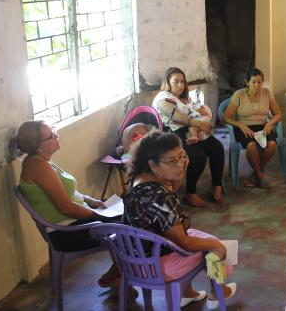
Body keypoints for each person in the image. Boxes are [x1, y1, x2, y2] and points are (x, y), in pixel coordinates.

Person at [123, 131, 236, 309]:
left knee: (204, 239)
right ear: (152, 164)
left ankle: (187, 293)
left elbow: (171, 191)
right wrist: (215, 245)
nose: (180, 164)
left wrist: (181, 169)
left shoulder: (139, 178)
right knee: (218, 248)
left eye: (181, 156)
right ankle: (218, 291)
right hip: (157, 266)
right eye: (172, 161)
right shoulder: (158, 197)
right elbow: (184, 242)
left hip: (137, 257)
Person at [15, 120, 121, 290]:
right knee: (126, 228)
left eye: (54, 131)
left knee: (125, 220)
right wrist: (98, 215)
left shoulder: (42, 160)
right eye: (51, 136)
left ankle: (116, 276)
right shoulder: (38, 166)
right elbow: (66, 208)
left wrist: (91, 201)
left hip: (74, 222)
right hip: (66, 233)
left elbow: (70, 194)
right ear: (39, 146)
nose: (57, 136)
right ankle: (118, 277)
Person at [152, 67, 225, 206]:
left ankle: (216, 185)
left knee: (217, 148)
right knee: (198, 156)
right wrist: (199, 123)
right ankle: (190, 193)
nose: (180, 85)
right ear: (167, 82)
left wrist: (200, 120)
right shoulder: (162, 99)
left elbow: (192, 111)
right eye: (176, 81)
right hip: (173, 135)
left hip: (188, 130)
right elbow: (179, 118)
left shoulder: (180, 99)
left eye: (182, 82)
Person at [223, 68, 282, 188]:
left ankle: (255, 174)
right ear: (247, 82)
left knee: (272, 145)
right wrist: (240, 125)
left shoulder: (267, 93)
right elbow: (226, 118)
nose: (257, 85)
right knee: (251, 146)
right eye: (253, 82)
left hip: (263, 126)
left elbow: (278, 114)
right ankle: (260, 176)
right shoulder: (239, 95)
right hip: (245, 127)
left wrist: (270, 123)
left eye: (260, 82)